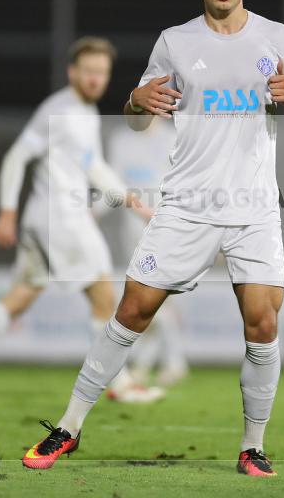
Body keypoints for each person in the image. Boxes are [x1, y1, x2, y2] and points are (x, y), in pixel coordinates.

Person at [21, 0, 284, 477]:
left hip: (252, 208)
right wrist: (136, 102)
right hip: (186, 205)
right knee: (132, 310)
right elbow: (137, 113)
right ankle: (69, 426)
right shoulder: (175, 42)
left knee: (263, 322)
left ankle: (252, 446)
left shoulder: (276, 37)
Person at [0, 36, 163, 405]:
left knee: (21, 297)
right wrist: (6, 211)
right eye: (88, 70)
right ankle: (118, 384)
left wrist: (129, 198)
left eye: (101, 72)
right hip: (60, 217)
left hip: (44, 221)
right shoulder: (57, 110)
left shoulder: (86, 114)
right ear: (72, 72)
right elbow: (15, 158)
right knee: (104, 295)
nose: (95, 78)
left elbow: (92, 166)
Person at [107, 117, 189, 387]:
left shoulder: (173, 136)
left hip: (163, 227)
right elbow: (114, 184)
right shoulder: (120, 140)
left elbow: (185, 181)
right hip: (131, 231)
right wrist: (92, 212)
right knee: (153, 298)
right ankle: (164, 363)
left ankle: (160, 363)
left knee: (154, 296)